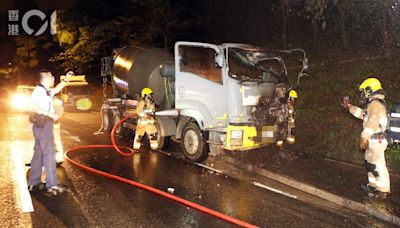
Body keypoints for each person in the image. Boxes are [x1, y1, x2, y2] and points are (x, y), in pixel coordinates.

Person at [343, 77, 390, 199]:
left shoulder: (375, 104)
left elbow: (372, 122)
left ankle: (383, 189)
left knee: (377, 164)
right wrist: (349, 107)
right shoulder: (372, 104)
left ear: (370, 89)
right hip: (373, 140)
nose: (363, 95)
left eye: (364, 91)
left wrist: (364, 137)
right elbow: (363, 115)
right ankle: (373, 185)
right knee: (370, 164)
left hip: (377, 139)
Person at [28, 70, 69, 194]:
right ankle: (52, 185)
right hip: (44, 123)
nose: (53, 78)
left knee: (39, 153)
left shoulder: (45, 91)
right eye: (51, 76)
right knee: (49, 153)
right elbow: (32, 106)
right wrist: (50, 114)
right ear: (44, 79)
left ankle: (33, 183)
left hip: (41, 124)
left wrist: (66, 79)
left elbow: (56, 89)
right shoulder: (38, 91)